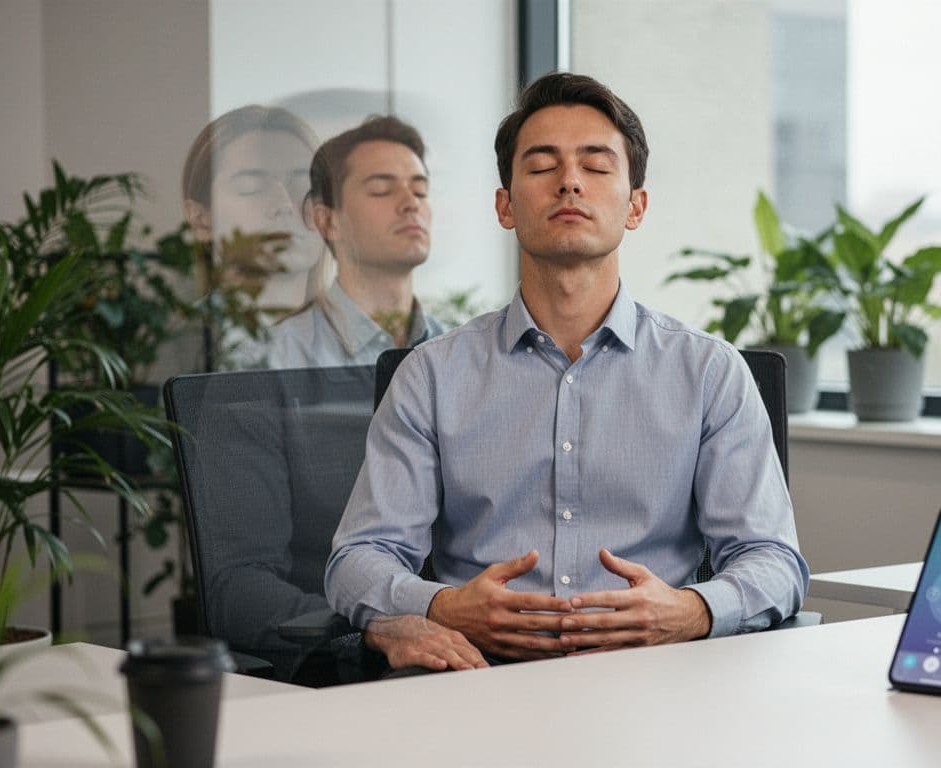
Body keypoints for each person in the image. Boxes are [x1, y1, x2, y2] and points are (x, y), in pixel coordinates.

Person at [326, 72, 808, 665]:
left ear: (636, 206)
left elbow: (774, 559)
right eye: (541, 166)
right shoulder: (431, 376)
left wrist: (692, 612)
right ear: (505, 205)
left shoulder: (710, 373)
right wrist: (440, 607)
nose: (570, 182)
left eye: (597, 165)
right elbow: (358, 558)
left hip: (652, 680)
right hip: (478, 679)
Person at [267, 116, 443, 368]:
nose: (411, 203)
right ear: (327, 221)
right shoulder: (279, 357)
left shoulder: (459, 352)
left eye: (420, 191)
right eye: (381, 189)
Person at [182, 105, 330, 369]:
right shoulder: (176, 347)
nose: (284, 203)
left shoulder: (369, 343)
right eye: (251, 186)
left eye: (304, 186)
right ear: (200, 219)